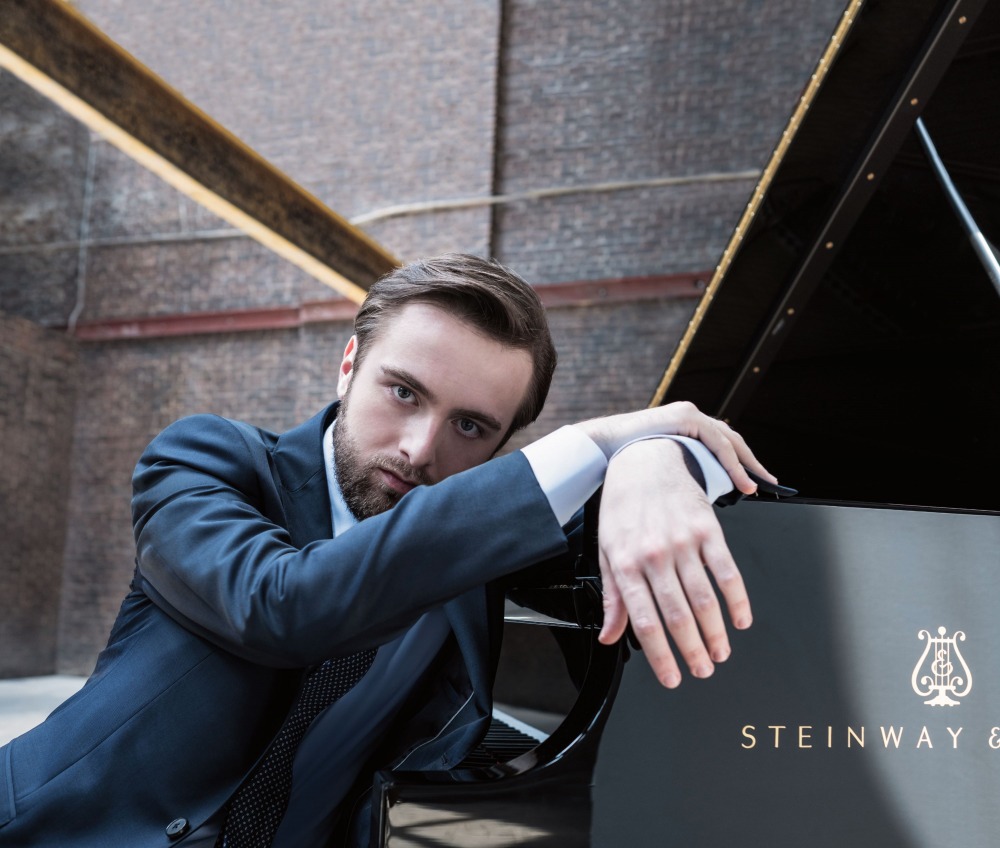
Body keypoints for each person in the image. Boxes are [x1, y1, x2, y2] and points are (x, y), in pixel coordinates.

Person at [0, 254, 774, 847]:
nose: (419, 449)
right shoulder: (206, 462)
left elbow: (648, 504)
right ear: (349, 364)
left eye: (471, 427)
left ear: (505, 443)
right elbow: (284, 607)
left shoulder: (481, 537)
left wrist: (655, 456)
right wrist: (595, 442)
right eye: (402, 392)